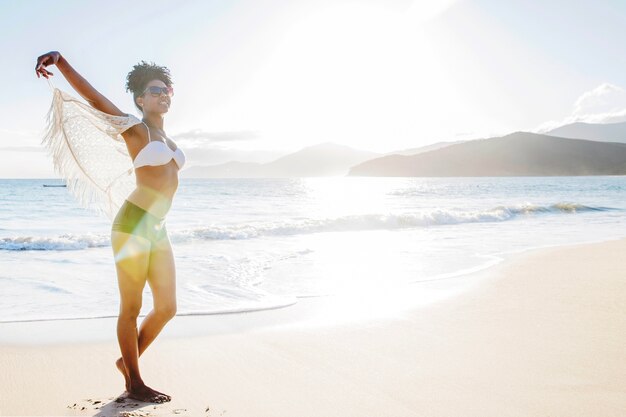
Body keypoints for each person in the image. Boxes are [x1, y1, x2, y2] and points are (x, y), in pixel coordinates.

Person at [35, 51, 186, 404]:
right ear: (139, 98)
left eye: (166, 89)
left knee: (166, 307)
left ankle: (126, 361)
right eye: (154, 89)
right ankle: (134, 382)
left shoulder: (170, 141)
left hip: (157, 227)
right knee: (131, 307)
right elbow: (93, 97)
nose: (162, 94)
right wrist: (60, 62)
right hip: (133, 224)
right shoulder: (135, 129)